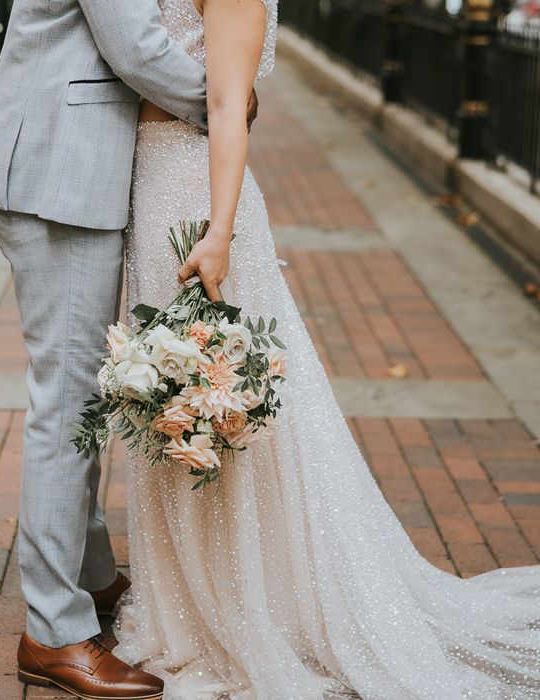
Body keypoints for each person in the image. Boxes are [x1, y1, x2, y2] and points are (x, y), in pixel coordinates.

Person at [115, 0, 540, 698]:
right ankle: (187, 605)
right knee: (173, 406)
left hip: (197, 200)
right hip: (153, 185)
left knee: (215, 407)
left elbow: (227, 105)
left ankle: (244, 605)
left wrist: (217, 232)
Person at [0, 1, 255, 698]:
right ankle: (53, 633)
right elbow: (136, 47)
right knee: (67, 407)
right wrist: (225, 108)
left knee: (81, 394)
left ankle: (90, 577)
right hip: (58, 171)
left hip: (63, 162)